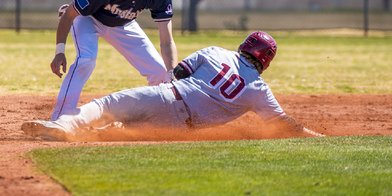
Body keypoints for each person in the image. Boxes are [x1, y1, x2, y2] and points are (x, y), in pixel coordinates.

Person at [24, 31, 324, 141]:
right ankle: (88, 135)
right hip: (181, 127)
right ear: (266, 60)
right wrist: (319, 136)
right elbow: (285, 125)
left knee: (107, 106)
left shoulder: (216, 52)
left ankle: (65, 127)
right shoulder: (259, 90)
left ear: (245, 46)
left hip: (168, 95)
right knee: (122, 134)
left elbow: (178, 71)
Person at [49, 0, 177, 121]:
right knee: (86, 59)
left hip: (124, 24)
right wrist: (59, 52)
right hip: (90, 18)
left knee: (160, 72)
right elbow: (68, 16)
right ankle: (59, 119)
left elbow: (166, 40)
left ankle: (158, 118)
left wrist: (172, 74)